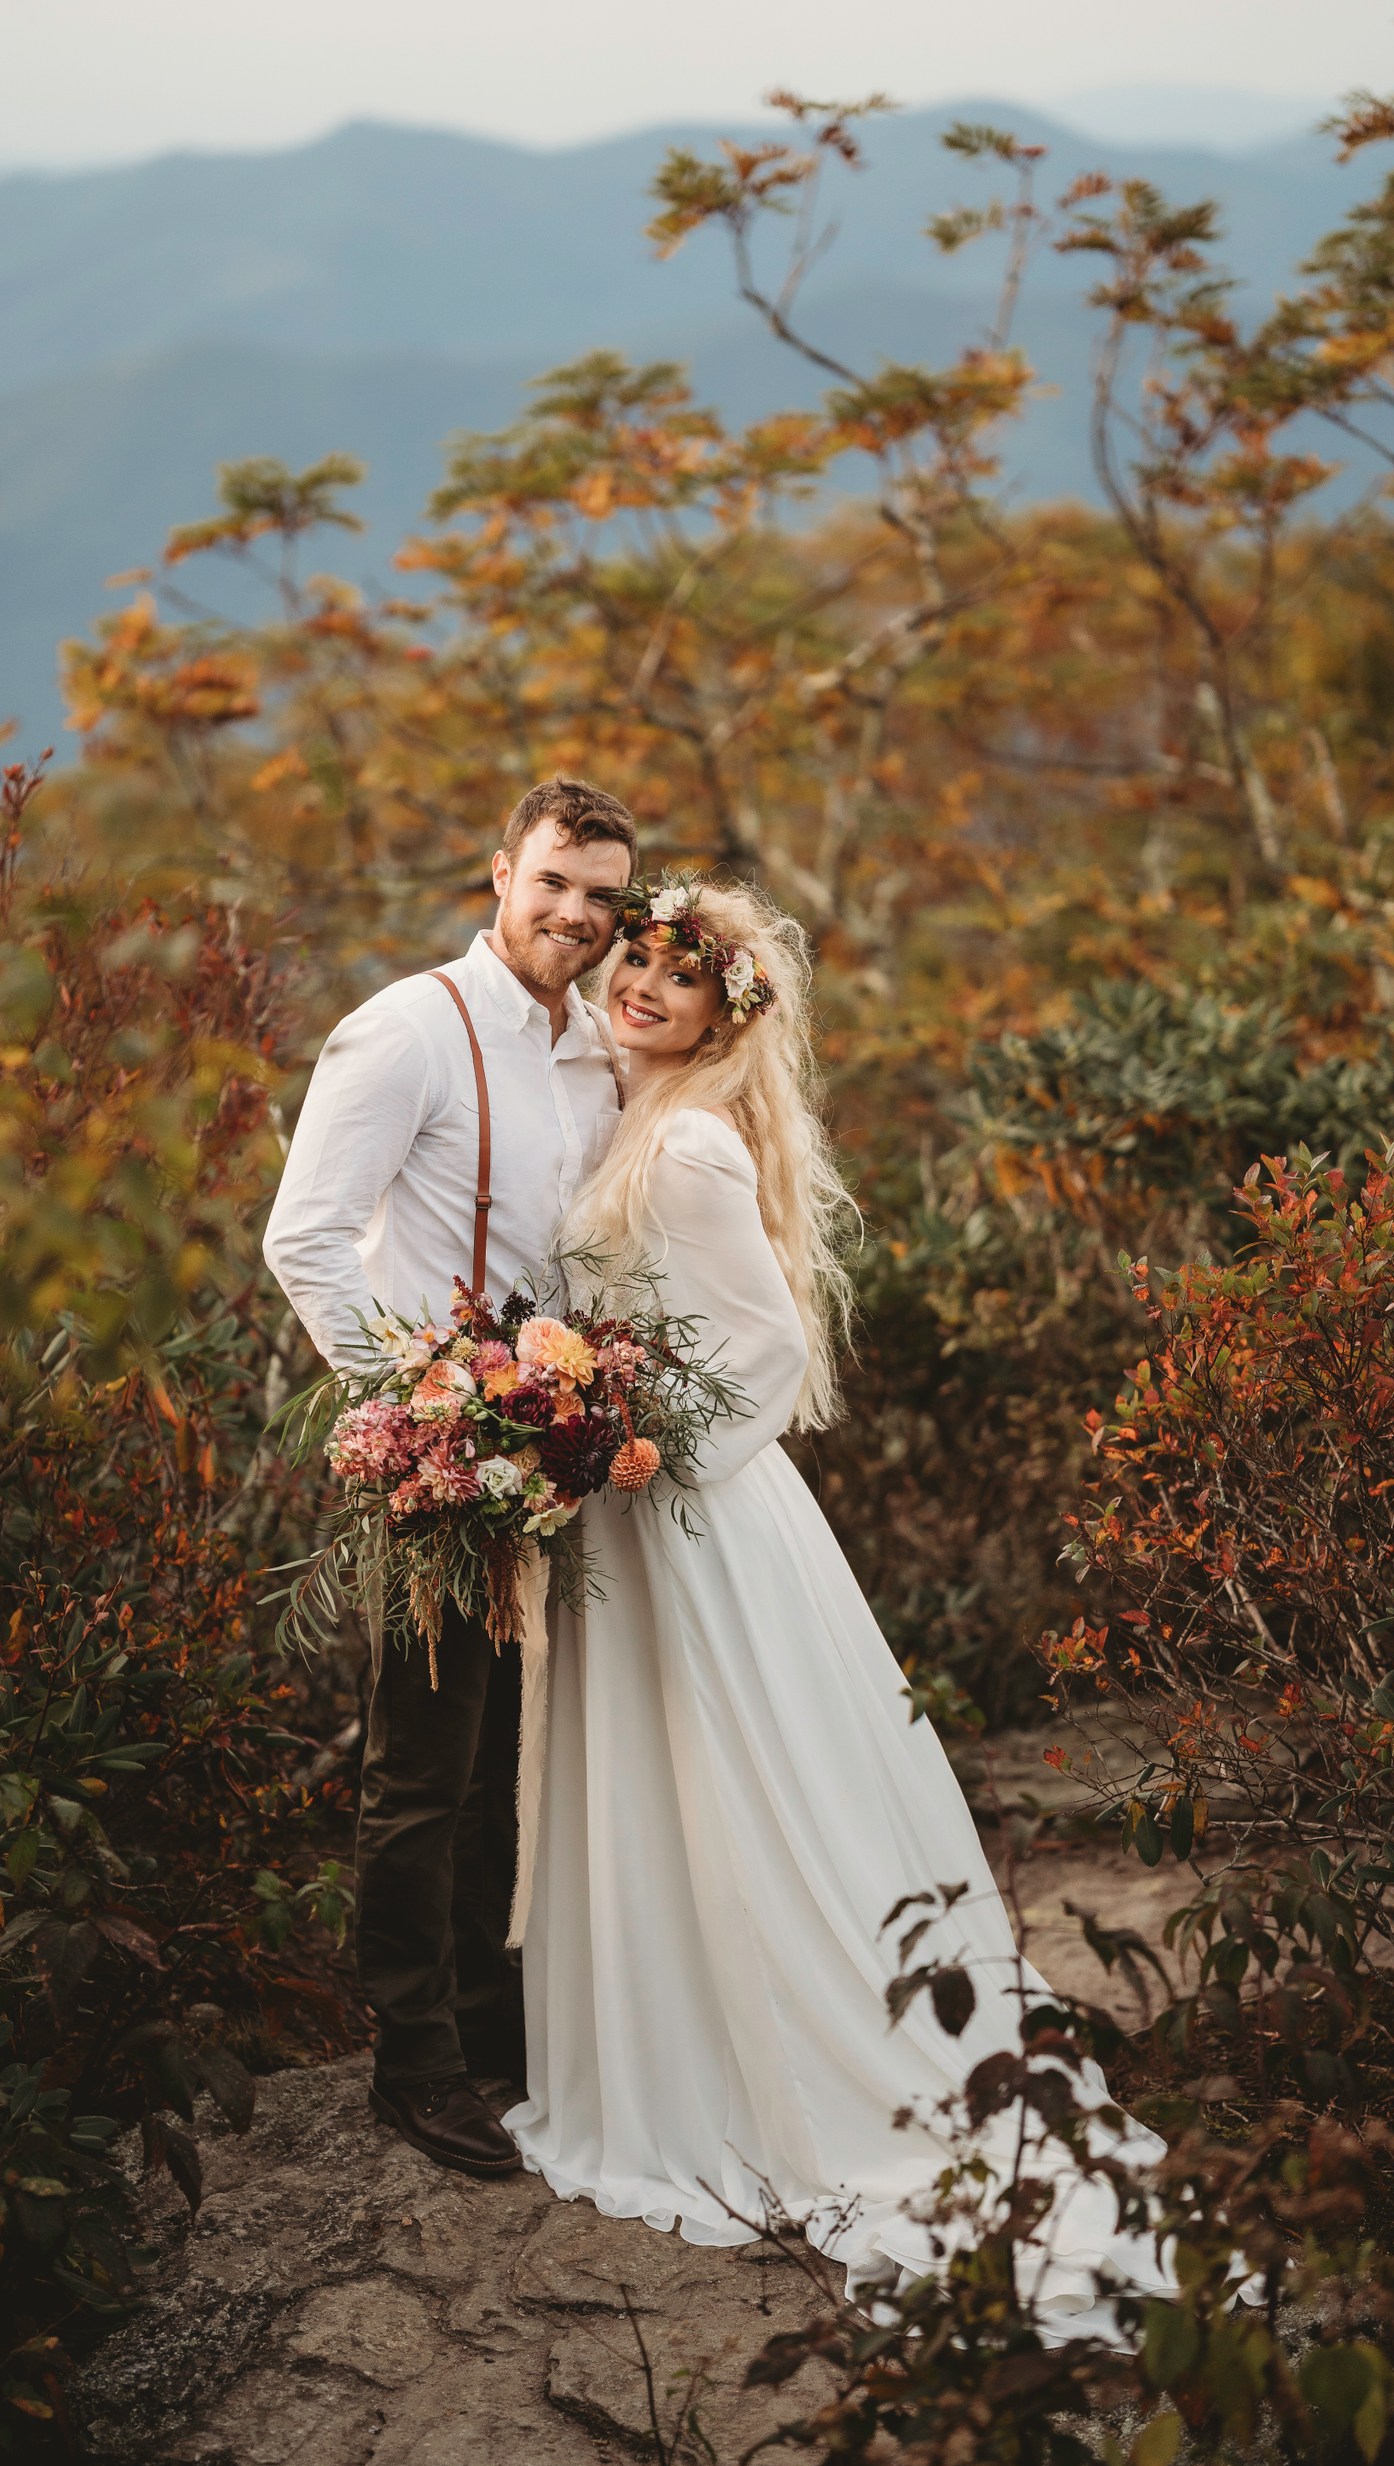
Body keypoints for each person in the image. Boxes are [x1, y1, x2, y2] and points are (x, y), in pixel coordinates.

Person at [504, 878, 1173, 2339]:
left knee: (740, 1784)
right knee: (659, 1785)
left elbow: (767, 1345)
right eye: (639, 960)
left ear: (720, 1019)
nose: (644, 987)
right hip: (629, 1503)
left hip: (692, 1516)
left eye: (681, 980)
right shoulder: (626, 1108)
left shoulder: (682, 1144)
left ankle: (785, 2085)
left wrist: (638, 1447)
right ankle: (666, 2051)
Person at [263, 774, 636, 2177]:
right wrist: (422, 1408)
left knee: (508, 1766)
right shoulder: (409, 1029)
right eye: (555, 883)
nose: (576, 916)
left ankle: (495, 2030)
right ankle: (413, 2064)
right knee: (425, 1767)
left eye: (601, 896)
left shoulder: (595, 1048)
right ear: (500, 874)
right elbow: (305, 1237)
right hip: (433, 1454)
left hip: (548, 1453)